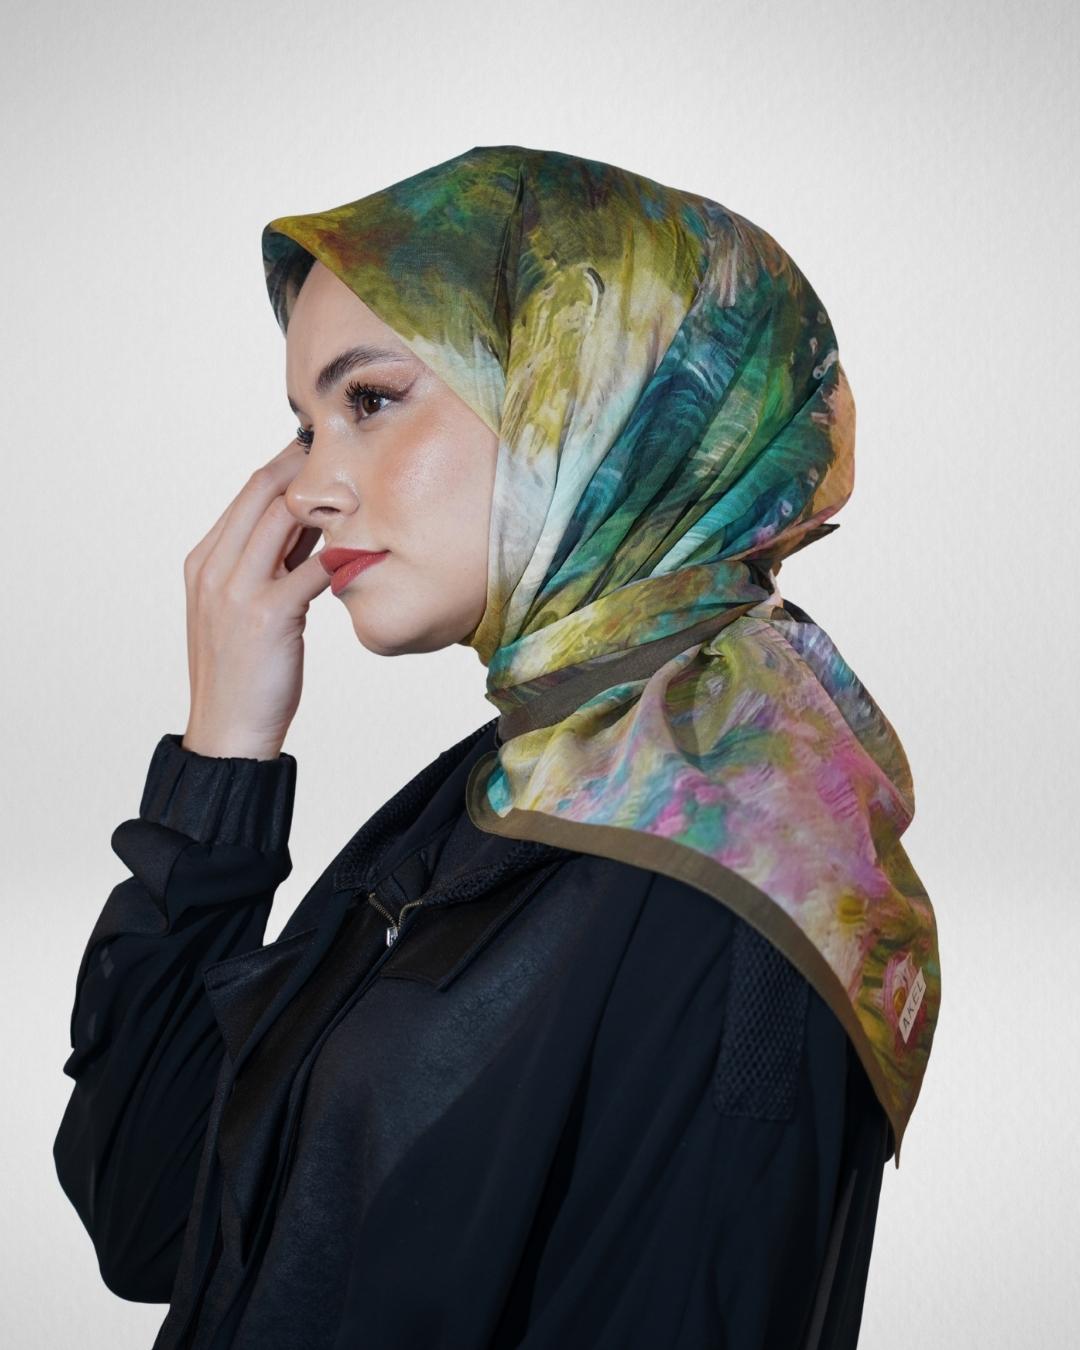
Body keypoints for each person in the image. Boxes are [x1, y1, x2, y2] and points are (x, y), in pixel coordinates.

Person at [53, 144, 939, 1349]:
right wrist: (226, 753)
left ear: (590, 396)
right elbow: (155, 1216)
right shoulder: (503, 792)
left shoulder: (734, 880)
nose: (309, 487)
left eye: (370, 401)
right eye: (305, 426)